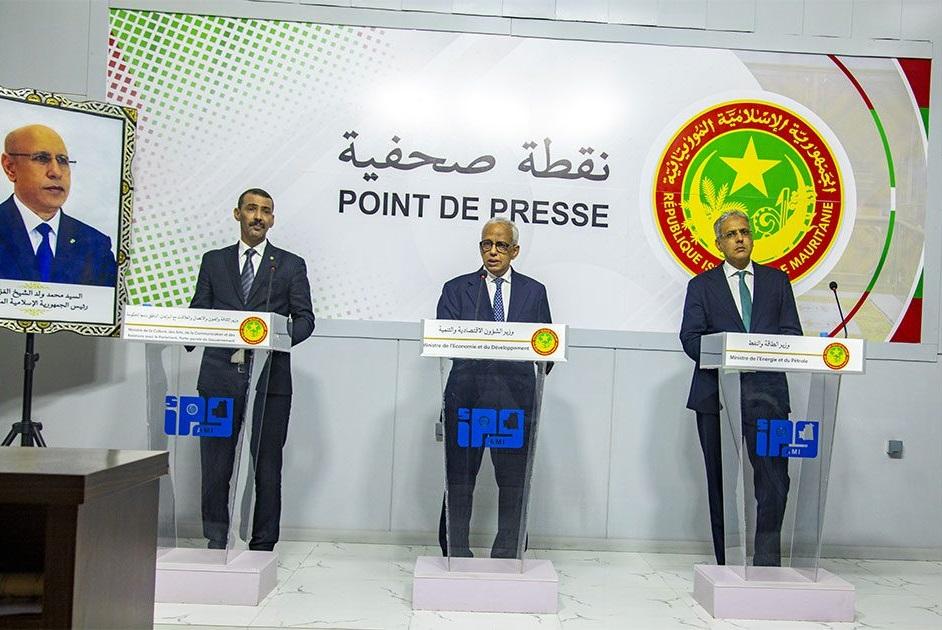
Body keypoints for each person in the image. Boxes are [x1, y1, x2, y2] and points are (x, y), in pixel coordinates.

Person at [190, 188, 315, 551]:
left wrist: (278, 338)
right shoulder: (214, 261)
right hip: (218, 376)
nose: (258, 216)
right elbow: (200, 309)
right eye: (251, 209)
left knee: (267, 466)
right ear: (238, 214)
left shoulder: (289, 265)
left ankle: (263, 545)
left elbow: (305, 319)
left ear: (272, 219)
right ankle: (216, 538)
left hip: (269, 379)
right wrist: (186, 333)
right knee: (215, 464)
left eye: (265, 211)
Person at [679, 210, 802, 567]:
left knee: (775, 481)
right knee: (721, 483)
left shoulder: (777, 282)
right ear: (719, 244)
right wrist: (731, 355)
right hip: (717, 398)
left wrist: (758, 353)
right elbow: (690, 338)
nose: (739, 238)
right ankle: (727, 563)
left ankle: (766, 560)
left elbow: (792, 334)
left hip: (769, 396)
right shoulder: (701, 285)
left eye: (745, 232)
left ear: (752, 237)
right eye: (731, 234)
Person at [436, 218, 552, 559]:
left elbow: (547, 347)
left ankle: (508, 553)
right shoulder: (456, 289)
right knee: (459, 480)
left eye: (501, 245)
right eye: (487, 244)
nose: (493, 251)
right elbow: (444, 340)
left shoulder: (534, 291)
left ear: (515, 251)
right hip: (466, 401)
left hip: (515, 403)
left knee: (514, 483)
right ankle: (455, 551)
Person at [0, 124, 117, 287]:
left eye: (62, 161)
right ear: (10, 167)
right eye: (42, 158)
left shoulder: (95, 245)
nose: (56, 172)